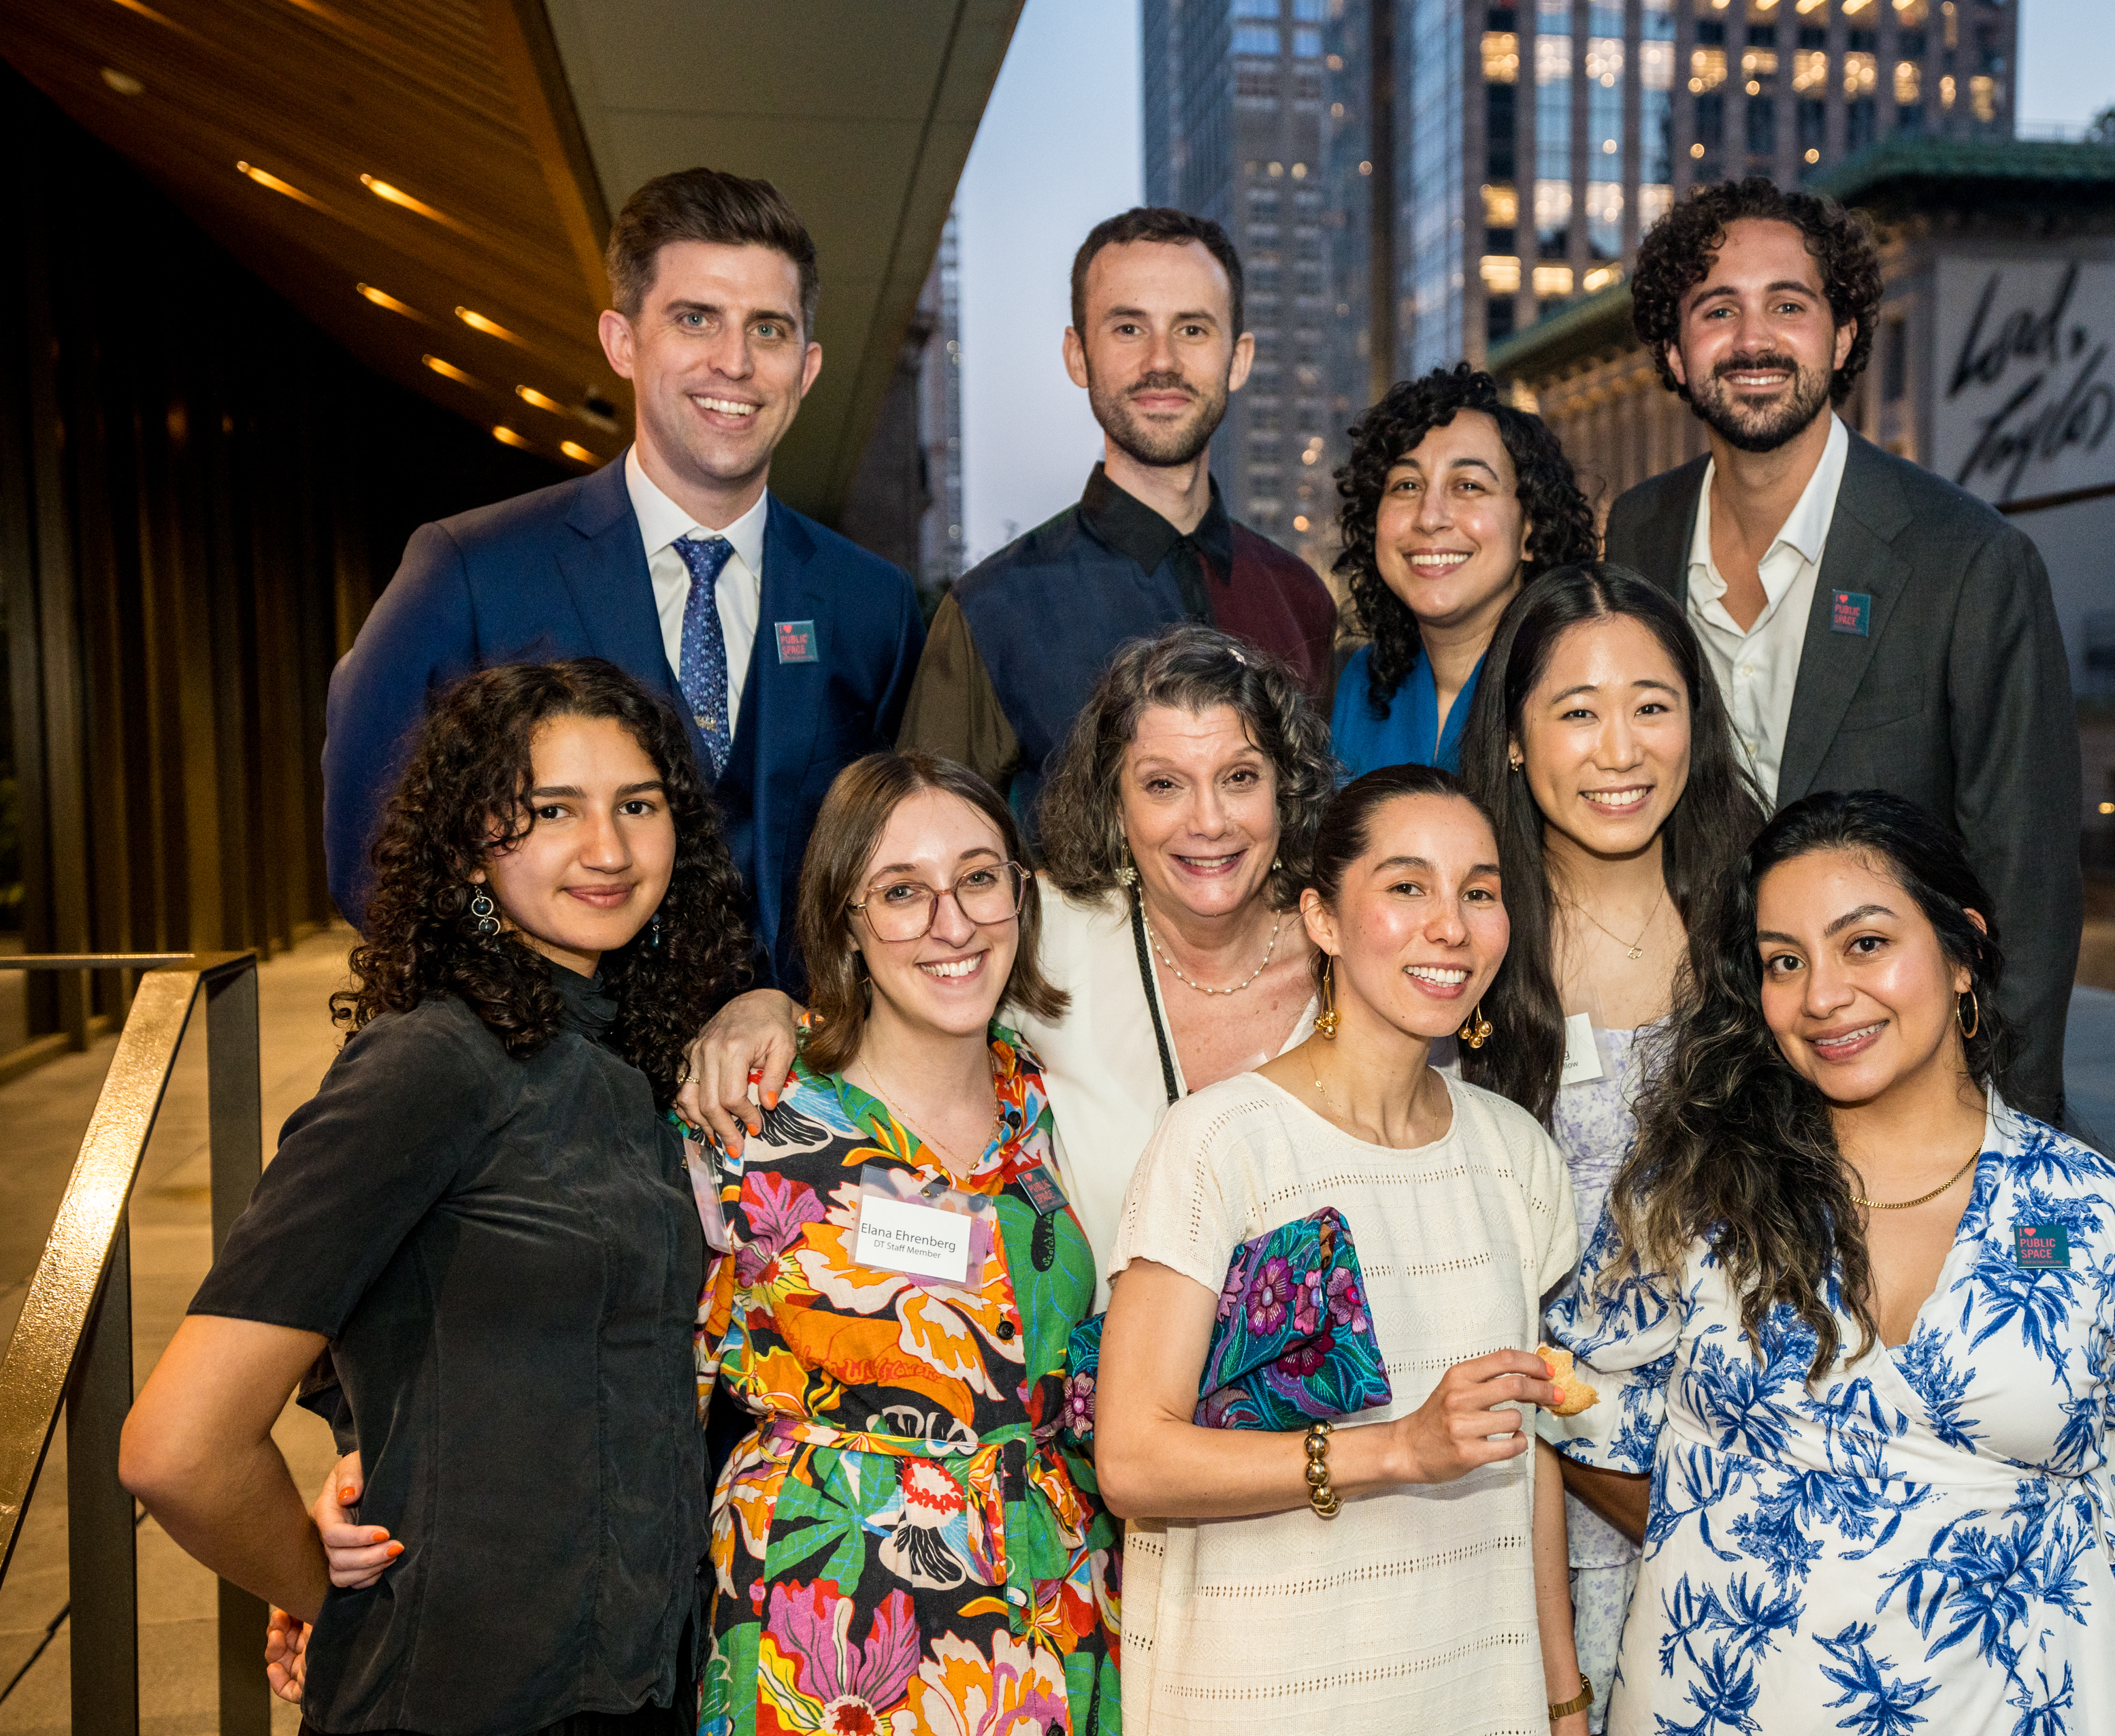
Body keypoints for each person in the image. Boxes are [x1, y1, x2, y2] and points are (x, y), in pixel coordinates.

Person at [1546, 789, 2115, 1736]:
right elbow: (1585, 1415)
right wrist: (1769, 1547)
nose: (1824, 996)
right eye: (1782, 962)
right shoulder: (1690, 1198)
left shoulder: (2111, 1217)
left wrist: (1978, 1576)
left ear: (1963, 952)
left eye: (1866, 943)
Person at [120, 660, 750, 1736]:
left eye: (638, 802)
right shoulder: (430, 1069)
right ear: (469, 843)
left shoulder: (629, 1058)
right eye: (551, 807)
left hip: (627, 1720)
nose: (605, 844)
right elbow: (177, 1446)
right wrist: (332, 1596)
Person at [1093, 766, 1617, 1736]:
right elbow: (1132, 1458)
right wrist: (1394, 1450)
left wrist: (1564, 1714)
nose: (1450, 925)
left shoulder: (1513, 1153)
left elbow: (1524, 1459)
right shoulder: (1223, 1143)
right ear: (1323, 918)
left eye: (1480, 892)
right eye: (1407, 885)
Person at [323, 167, 970, 991]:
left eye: (767, 329)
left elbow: (902, 855)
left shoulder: (870, 604)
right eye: (695, 319)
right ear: (622, 341)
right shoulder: (469, 571)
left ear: (806, 369)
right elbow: (370, 860)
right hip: (554, 1090)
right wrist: (535, 995)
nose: (734, 362)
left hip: (806, 1089)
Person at [676, 751, 1132, 1736]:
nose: (950, 923)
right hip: (829, 1638)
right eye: (902, 890)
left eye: (980, 879)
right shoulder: (752, 1119)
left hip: (1049, 1599)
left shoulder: (1050, 1105)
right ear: (845, 915)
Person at [1598, 177, 2081, 1121]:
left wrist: (2007, 1131)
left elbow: (2028, 881)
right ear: (1673, 347)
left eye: (1789, 305)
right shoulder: (1639, 534)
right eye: (1716, 310)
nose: (1753, 340)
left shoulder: (1970, 561)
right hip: (1687, 1073)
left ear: (1846, 333)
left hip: (1890, 1073)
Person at [677, 628, 1336, 1274]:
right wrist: (767, 1006)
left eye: (1240, 777)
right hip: (1096, 1375)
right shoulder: (1043, 928)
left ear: (1286, 789)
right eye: (1164, 784)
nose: (1210, 820)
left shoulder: (1351, 957)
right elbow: (905, 969)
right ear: (1115, 806)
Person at [1450, 560, 1765, 1736]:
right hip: (1546, 1490)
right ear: (1519, 742)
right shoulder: (1467, 939)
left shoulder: (1766, 914)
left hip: (1762, 1473)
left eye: (1652, 703)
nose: (1621, 748)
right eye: (1577, 711)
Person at [919, 208, 1334, 818]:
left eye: (1193, 330)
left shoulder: (1300, 599)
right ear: (1078, 355)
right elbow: (927, 854)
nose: (1161, 361)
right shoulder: (991, 612)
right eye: (1128, 329)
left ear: (1238, 359)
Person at [1328, 366, 1596, 779]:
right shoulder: (1364, 683)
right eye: (1406, 486)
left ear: (1531, 529)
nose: (1429, 518)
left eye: (1469, 486)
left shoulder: (1579, 683)